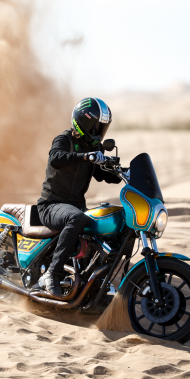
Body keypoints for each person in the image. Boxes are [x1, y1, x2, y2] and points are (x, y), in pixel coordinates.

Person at [36, 97, 122, 297]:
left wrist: (121, 172)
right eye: (96, 126)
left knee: (109, 225)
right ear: (83, 122)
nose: (99, 132)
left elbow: (101, 174)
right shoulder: (64, 139)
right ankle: (52, 274)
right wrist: (85, 156)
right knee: (76, 218)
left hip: (75, 206)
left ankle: (93, 283)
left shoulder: (96, 148)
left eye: (102, 127)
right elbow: (56, 158)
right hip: (51, 205)